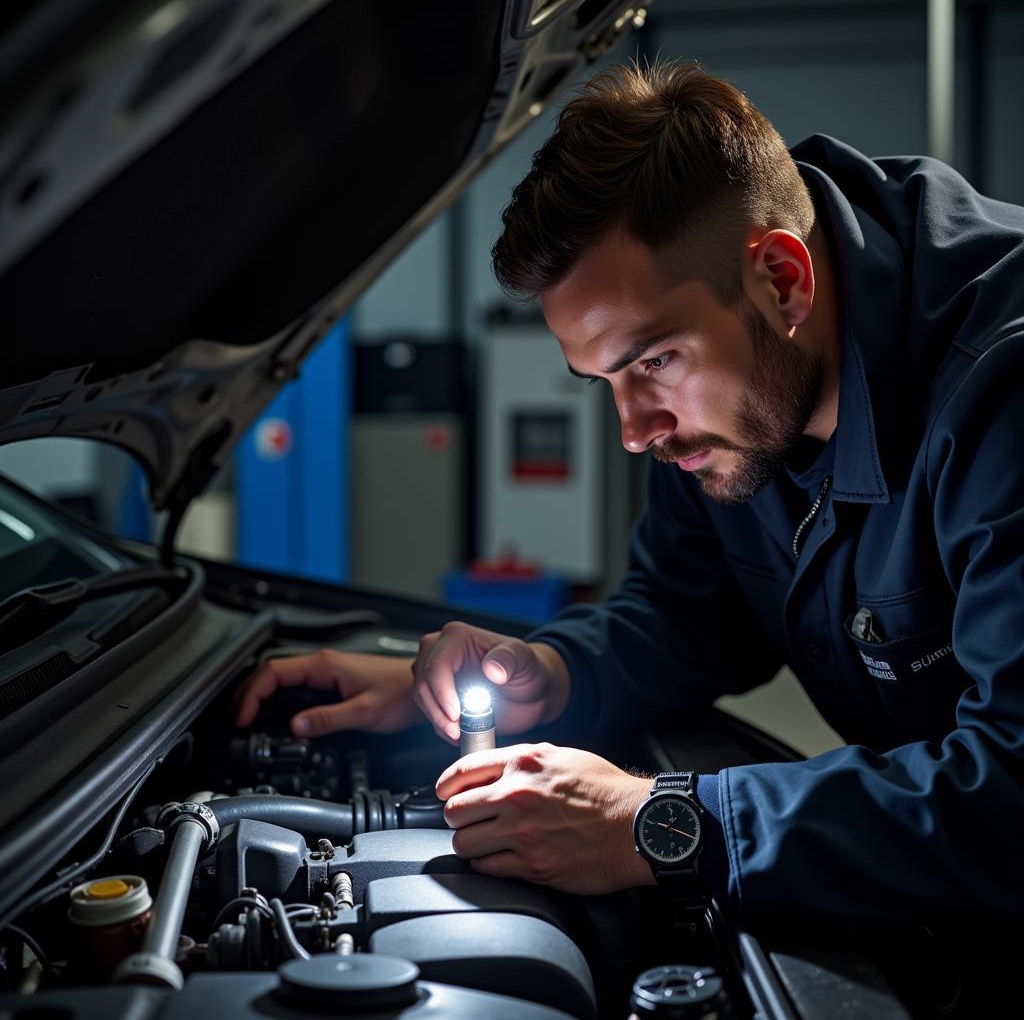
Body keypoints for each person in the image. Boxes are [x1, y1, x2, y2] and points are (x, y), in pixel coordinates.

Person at [235, 61, 1024, 920]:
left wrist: (659, 821)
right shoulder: (736, 395)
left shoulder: (1001, 394)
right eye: (603, 380)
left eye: (654, 361)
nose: (635, 430)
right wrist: (550, 671)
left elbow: (1013, 790)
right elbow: (688, 608)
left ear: (784, 280)